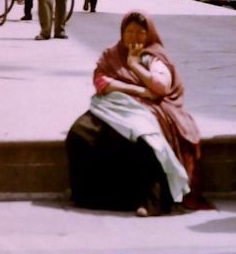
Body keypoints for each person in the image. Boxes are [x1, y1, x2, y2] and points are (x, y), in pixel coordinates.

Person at [66, 11, 207, 216]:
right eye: (129, 32)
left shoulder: (154, 57)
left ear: (149, 35)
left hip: (147, 109)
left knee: (145, 140)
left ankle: (154, 201)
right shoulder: (112, 54)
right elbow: (101, 82)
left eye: (140, 32)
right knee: (80, 132)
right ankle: (90, 195)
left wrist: (134, 65)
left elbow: (160, 87)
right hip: (112, 106)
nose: (134, 37)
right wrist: (138, 90)